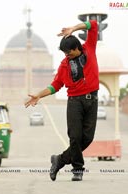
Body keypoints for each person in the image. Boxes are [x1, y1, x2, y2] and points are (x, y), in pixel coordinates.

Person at [25, 20, 99, 181]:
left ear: (76, 48)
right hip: (75, 102)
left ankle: (60, 160)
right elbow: (56, 85)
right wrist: (39, 95)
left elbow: (93, 25)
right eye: (64, 53)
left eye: (69, 52)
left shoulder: (90, 48)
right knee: (75, 137)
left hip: (92, 100)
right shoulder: (64, 65)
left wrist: (74, 28)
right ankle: (77, 169)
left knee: (87, 138)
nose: (67, 55)